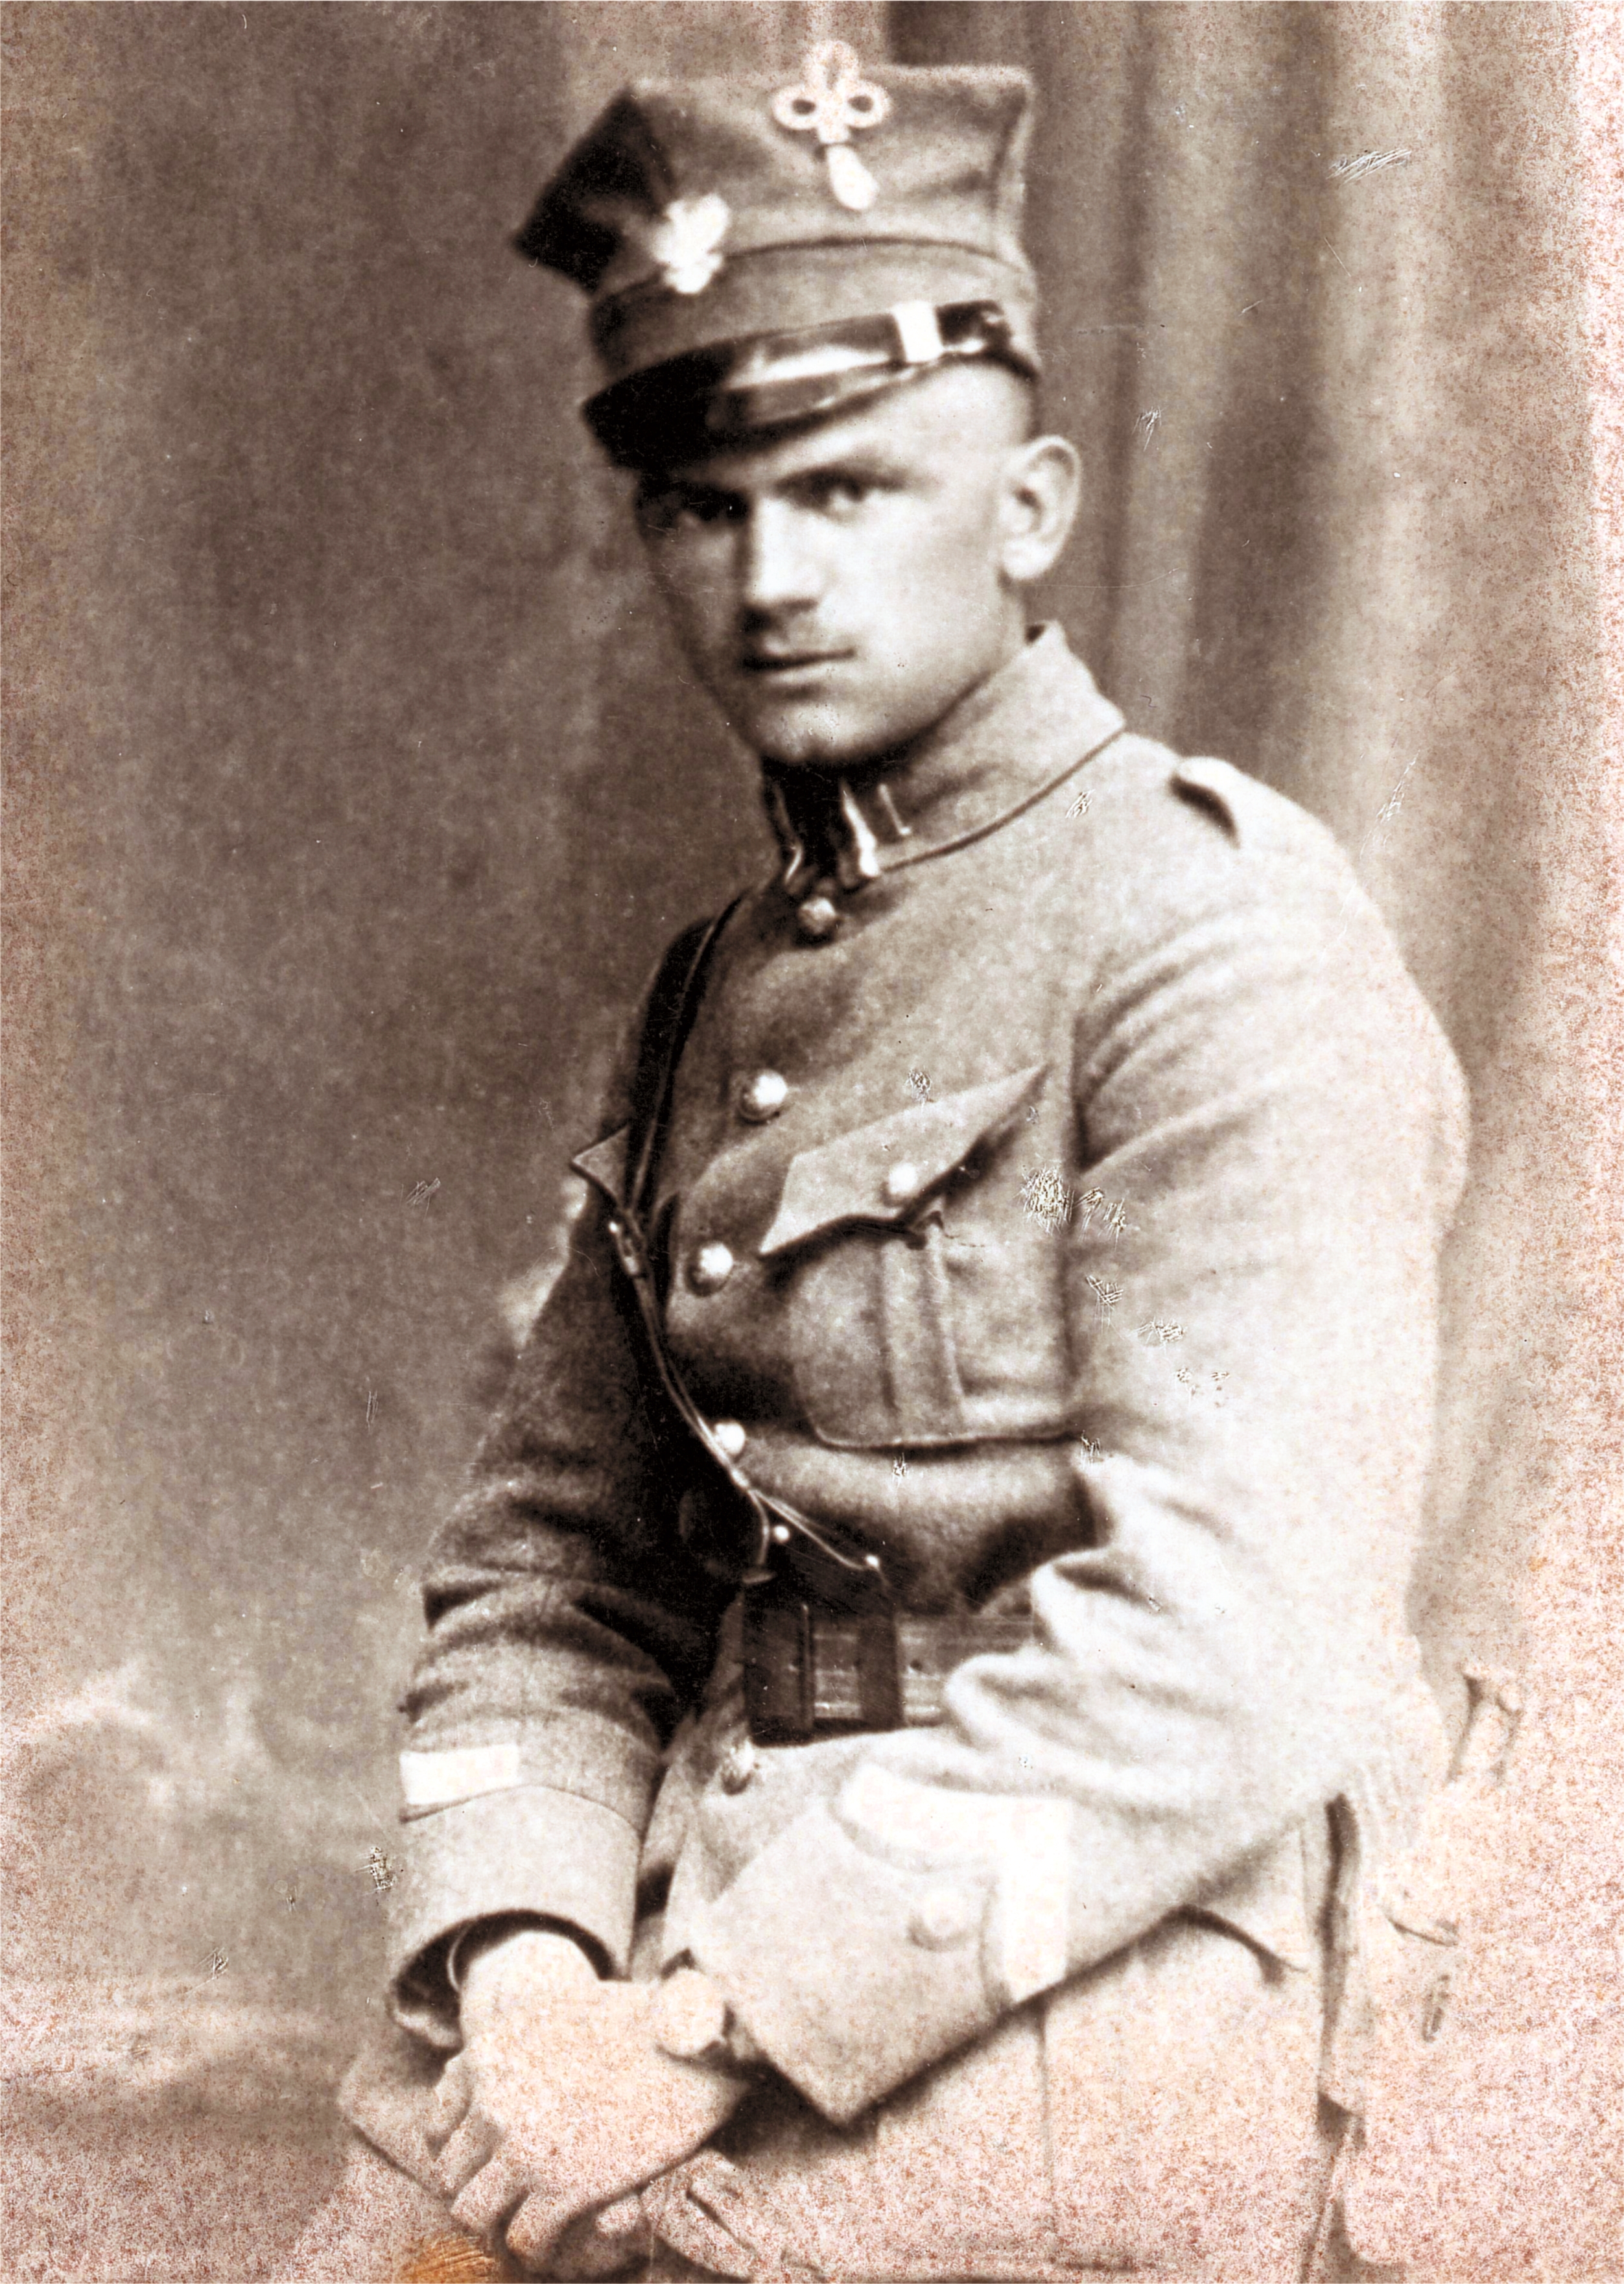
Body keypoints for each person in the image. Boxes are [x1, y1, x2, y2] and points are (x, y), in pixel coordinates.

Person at [294, 45, 1470, 2284]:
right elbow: (551, 1570)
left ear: (1025, 506)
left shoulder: (1213, 930)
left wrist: (710, 2026)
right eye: (701, 507)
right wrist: (530, 1969)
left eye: (846, 488)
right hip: (654, 1946)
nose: (770, 578)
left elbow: (1237, 1640)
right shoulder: (715, 986)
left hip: (1055, 1982)